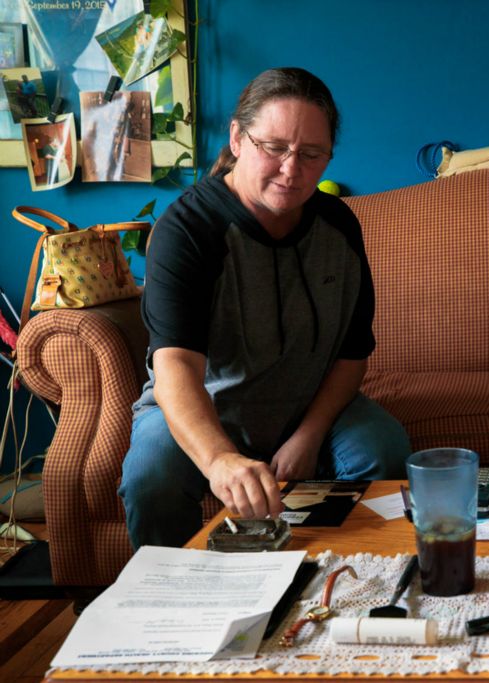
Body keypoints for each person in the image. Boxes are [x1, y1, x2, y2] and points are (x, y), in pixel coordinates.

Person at [119, 67, 411, 549]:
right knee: (151, 477)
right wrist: (219, 460)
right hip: (204, 406)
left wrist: (310, 434)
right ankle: (172, 609)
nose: (291, 170)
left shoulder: (338, 226)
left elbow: (352, 353)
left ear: (328, 157)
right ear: (237, 138)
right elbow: (175, 369)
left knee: (384, 450)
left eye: (311, 154)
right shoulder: (187, 230)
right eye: (274, 147)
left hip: (308, 404)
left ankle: (359, 586)